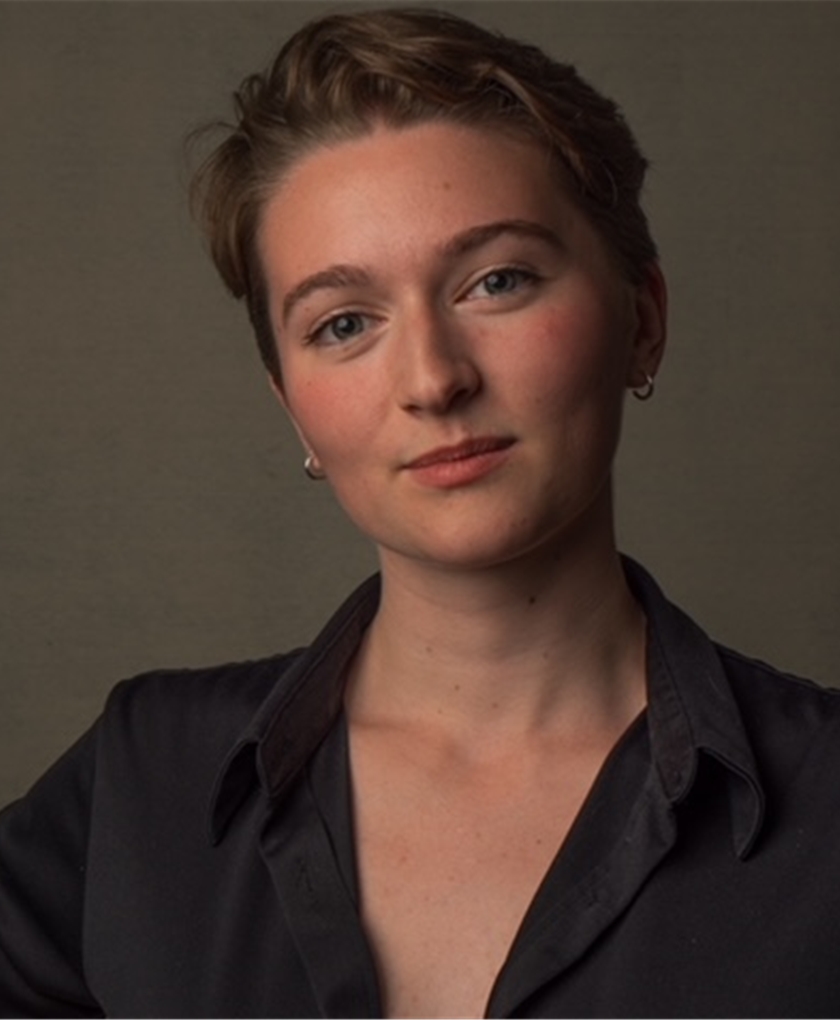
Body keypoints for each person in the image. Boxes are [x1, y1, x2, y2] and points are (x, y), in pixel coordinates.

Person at [2, 6, 840, 1018]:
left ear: (643, 320)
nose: (434, 380)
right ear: (293, 407)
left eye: (497, 281)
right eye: (344, 324)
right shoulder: (145, 784)